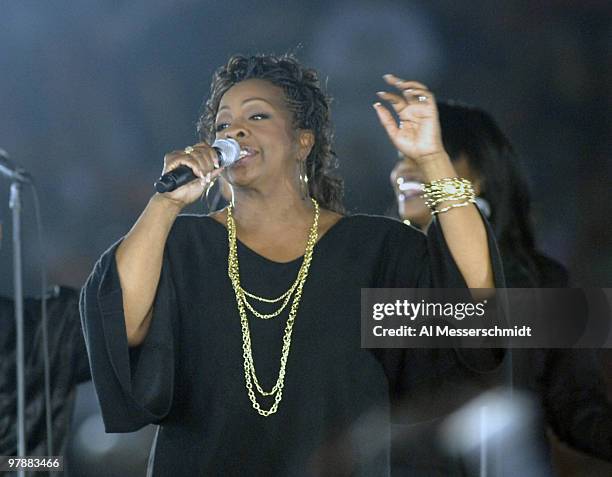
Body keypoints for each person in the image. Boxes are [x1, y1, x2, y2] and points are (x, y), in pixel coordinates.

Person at [80, 54, 503, 476]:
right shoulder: (181, 244)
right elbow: (121, 324)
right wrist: (165, 202)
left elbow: (472, 308)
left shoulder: (376, 249)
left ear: (304, 141)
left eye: (257, 115)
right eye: (223, 125)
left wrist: (431, 158)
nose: (235, 130)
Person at [390, 101, 612, 474]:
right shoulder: (376, 270)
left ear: (477, 180)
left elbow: (576, 406)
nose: (404, 169)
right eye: (401, 155)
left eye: (429, 154)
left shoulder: (543, 283)